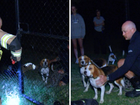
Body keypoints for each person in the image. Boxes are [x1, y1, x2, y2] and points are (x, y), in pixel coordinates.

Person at [96, 21, 140, 97]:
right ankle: (138, 85)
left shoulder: (136, 42)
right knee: (121, 62)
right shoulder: (136, 37)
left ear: (132, 30)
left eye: (124, 32)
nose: (123, 34)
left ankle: (138, 88)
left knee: (125, 65)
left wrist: (108, 77)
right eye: (122, 32)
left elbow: (126, 66)